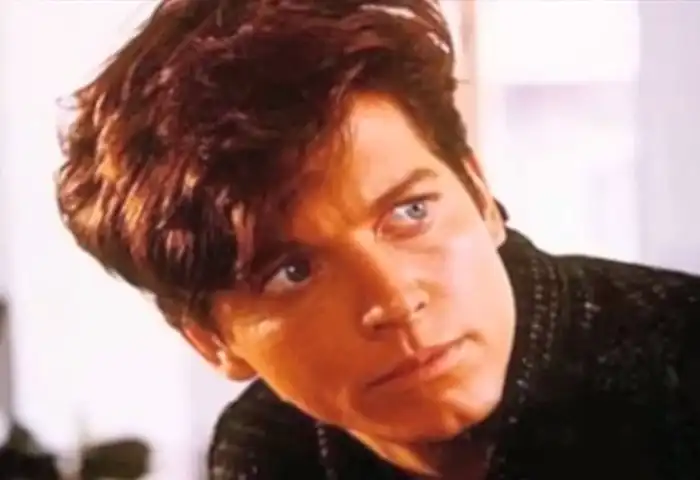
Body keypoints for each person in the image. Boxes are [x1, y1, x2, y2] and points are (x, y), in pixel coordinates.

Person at [55, 0, 700, 478]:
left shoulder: (680, 361)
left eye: (411, 212)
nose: (394, 301)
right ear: (212, 342)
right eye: (292, 272)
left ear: (480, 195)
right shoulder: (268, 449)